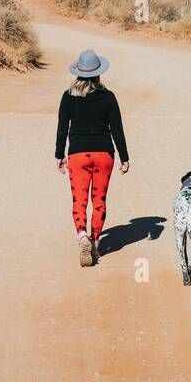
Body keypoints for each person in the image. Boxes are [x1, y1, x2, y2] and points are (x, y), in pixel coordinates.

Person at [55, 49, 130, 267]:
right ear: (99, 73)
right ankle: (95, 241)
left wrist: (59, 154)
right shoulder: (108, 97)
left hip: (78, 154)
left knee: (79, 200)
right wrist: (124, 157)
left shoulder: (68, 96)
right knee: (99, 201)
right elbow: (117, 129)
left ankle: (82, 236)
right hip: (104, 154)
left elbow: (62, 127)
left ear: (78, 72)